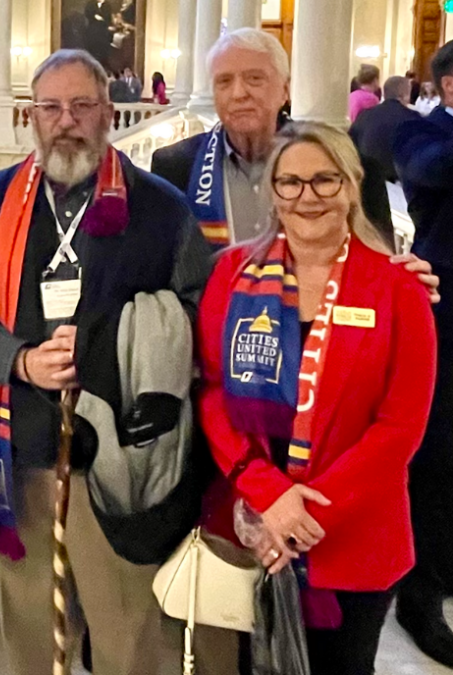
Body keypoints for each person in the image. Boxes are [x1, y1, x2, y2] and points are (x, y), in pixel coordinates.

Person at [0, 49, 232, 674]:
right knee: (32, 633)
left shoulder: (160, 206)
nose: (65, 120)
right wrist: (17, 360)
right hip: (24, 450)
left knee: (129, 636)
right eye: (51, 107)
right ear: (30, 117)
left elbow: (198, 312)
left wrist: (128, 351)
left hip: (124, 465)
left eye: (82, 105)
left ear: (107, 113)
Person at [198, 122, 436, 675]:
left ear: (351, 186)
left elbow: (400, 426)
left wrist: (302, 512)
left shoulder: (397, 288)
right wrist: (268, 496)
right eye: (291, 183)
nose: (307, 197)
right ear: (273, 191)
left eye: (325, 181)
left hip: (353, 534)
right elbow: (211, 390)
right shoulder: (232, 274)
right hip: (250, 523)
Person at [151, 29, 400, 253]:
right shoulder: (175, 166)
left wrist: (406, 279)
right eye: (224, 82)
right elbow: (161, 262)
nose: (239, 93)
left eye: (254, 78)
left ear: (284, 90)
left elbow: (381, 258)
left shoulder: (347, 165)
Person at [393, 39, 453, 668]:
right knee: (437, 458)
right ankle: (421, 595)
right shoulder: (418, 132)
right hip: (445, 311)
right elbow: (432, 173)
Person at [349, 75, 419, 183]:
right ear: (405, 95)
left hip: (367, 178)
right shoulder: (413, 118)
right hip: (400, 182)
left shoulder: (365, 115)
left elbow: (351, 144)